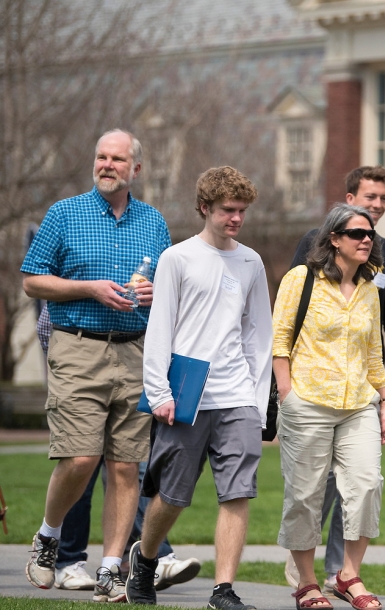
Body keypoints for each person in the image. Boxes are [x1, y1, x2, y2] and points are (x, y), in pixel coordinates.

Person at [20, 129, 172, 603]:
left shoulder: (154, 221)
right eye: (101, 157)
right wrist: (89, 288)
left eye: (117, 159)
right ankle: (48, 537)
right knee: (82, 456)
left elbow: (169, 289)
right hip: (78, 344)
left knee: (126, 466)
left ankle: (110, 568)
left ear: (136, 170)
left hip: (136, 350)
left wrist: (154, 292)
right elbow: (31, 282)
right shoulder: (64, 214)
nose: (106, 165)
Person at [122, 167, 272, 609]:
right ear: (205, 207)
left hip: (237, 396)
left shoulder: (251, 262)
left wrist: (257, 401)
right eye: (228, 210)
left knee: (238, 491)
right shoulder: (178, 258)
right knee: (172, 496)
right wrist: (160, 393)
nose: (236, 219)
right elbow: (160, 330)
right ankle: (145, 559)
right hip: (185, 398)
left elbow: (257, 334)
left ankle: (222, 590)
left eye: (242, 211)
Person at [284, 166, 385, 594]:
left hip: (359, 397)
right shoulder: (306, 265)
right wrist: (287, 394)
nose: (366, 236)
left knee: (365, 484)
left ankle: (345, 573)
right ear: (334, 237)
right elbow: (282, 333)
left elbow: (381, 337)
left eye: (382, 200)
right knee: (307, 493)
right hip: (309, 397)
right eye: (356, 231)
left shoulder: (377, 274)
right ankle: (304, 579)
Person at [32, 308, 200, 594]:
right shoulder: (79, 270)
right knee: (81, 463)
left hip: (134, 360)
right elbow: (46, 325)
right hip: (81, 361)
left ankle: (114, 570)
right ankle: (62, 555)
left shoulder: (159, 266)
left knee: (128, 468)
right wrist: (67, 361)